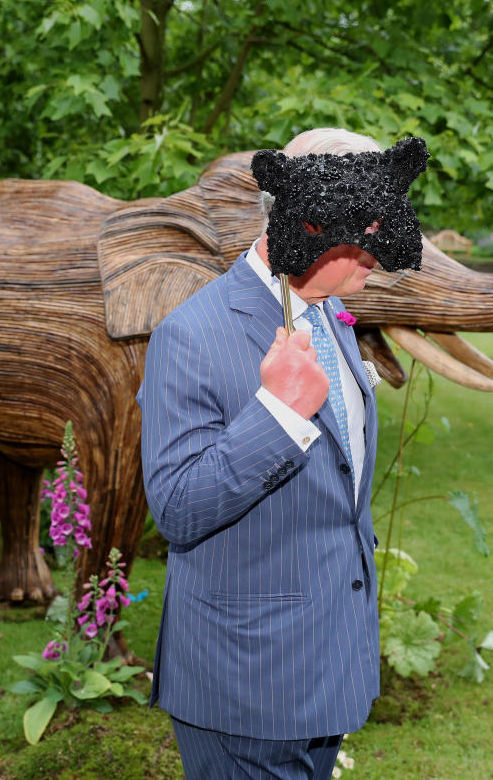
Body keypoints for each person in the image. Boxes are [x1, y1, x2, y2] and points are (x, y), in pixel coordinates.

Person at [138, 127, 393, 779]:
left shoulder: (329, 313)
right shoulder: (192, 334)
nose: (383, 246)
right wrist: (278, 415)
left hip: (325, 674)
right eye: (368, 225)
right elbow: (177, 507)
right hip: (245, 689)